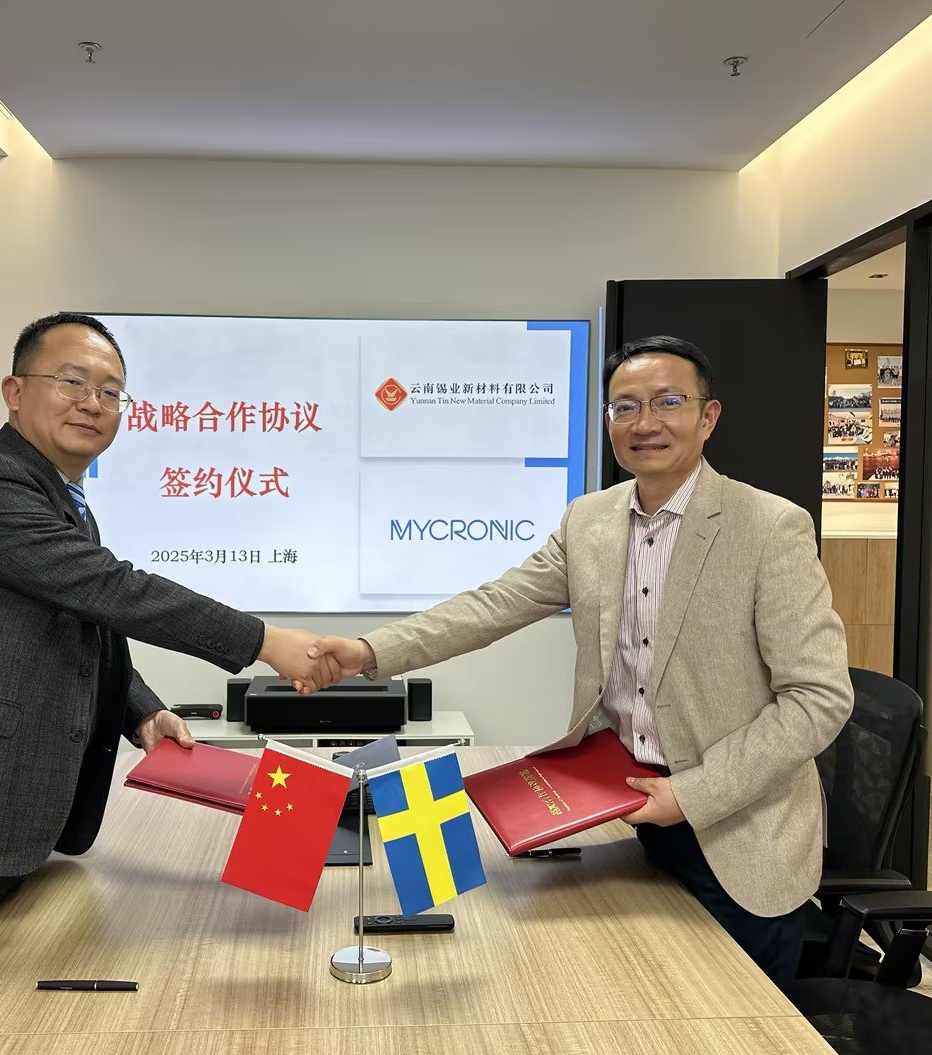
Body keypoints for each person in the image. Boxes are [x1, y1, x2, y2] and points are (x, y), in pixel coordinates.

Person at [0, 313, 333, 1032]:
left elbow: (86, 623)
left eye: (110, 391)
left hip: (9, 815)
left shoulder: (60, 496)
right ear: (14, 391)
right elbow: (112, 590)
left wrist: (141, 710)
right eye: (71, 381)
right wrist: (266, 641)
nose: (92, 403)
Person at [311, 334, 852, 983]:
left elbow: (819, 699)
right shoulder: (590, 520)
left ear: (708, 417)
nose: (645, 423)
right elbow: (496, 604)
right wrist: (369, 651)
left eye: (668, 402)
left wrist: (691, 794)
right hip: (625, 813)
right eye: (626, 407)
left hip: (739, 833)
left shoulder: (769, 527)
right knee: (636, 997)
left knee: (738, 1022)